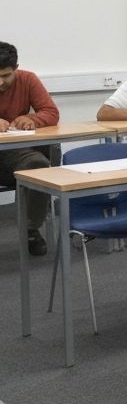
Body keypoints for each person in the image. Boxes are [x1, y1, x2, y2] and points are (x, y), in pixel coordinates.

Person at [0, 41, 59, 256]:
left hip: (16, 153)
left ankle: (31, 229)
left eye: (6, 75)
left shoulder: (28, 79)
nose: (0, 82)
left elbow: (51, 112)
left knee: (39, 164)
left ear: (16, 68)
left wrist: (31, 118)